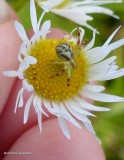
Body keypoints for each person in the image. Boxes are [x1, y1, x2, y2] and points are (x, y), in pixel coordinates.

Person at [0, 1, 105, 159]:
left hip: (59, 54)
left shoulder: (68, 69)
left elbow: (64, 73)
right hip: (56, 53)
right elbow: (79, 41)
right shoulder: (73, 60)